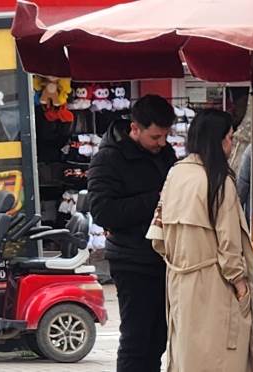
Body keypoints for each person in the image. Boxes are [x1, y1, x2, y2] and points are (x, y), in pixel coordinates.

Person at [151, 109, 253, 372]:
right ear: (218, 141)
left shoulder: (175, 174)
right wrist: (240, 284)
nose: (232, 144)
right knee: (221, 358)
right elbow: (229, 243)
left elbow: (158, 237)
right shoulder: (219, 182)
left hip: (179, 282)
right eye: (230, 138)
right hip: (215, 283)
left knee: (188, 358)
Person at [88, 94, 177, 372]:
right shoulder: (108, 159)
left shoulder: (165, 153)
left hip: (162, 258)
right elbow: (103, 212)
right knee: (136, 339)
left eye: (165, 136)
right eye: (155, 137)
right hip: (131, 260)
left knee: (159, 337)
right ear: (135, 128)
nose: (161, 143)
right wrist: (156, 198)